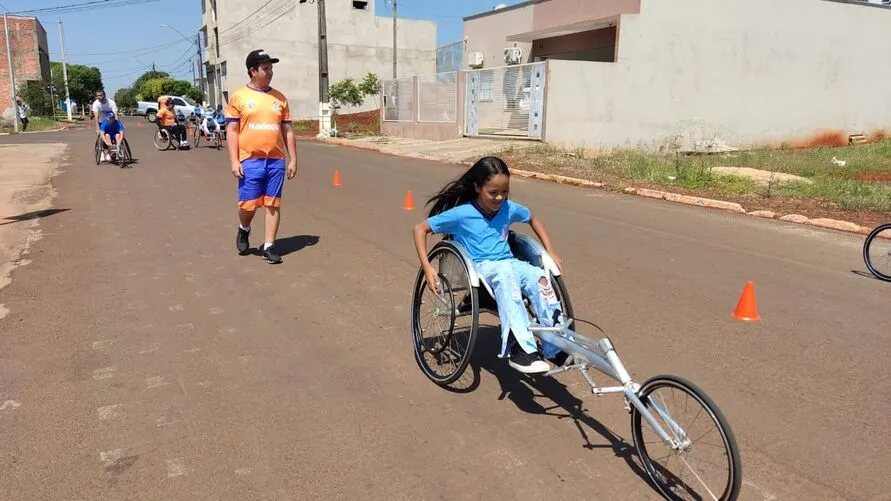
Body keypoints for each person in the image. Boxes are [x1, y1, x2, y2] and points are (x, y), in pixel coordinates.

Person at [412, 156, 570, 374]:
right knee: (506, 274)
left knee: (539, 277)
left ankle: (556, 345)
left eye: (504, 192)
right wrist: (428, 268)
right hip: (482, 267)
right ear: (478, 187)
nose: (499, 198)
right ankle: (521, 349)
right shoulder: (463, 213)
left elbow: (533, 218)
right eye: (493, 192)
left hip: (508, 263)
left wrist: (549, 250)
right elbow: (420, 229)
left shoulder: (508, 208)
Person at [226, 49, 297, 264]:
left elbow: (288, 130)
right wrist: (234, 160)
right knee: (247, 206)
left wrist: (293, 158)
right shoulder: (239, 96)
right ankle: (244, 228)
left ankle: (269, 246)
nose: (270, 72)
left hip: (276, 160)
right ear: (253, 71)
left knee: (273, 204)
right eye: (265, 68)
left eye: (271, 68)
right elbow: (232, 131)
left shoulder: (280, 98)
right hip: (250, 159)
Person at [91, 89, 120, 161]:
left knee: (116, 135)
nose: (99, 97)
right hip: (101, 122)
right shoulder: (96, 104)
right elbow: (96, 117)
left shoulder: (111, 103)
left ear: (104, 95)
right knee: (102, 136)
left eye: (100, 95)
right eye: (97, 96)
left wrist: (117, 125)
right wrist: (97, 128)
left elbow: (116, 115)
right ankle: (103, 153)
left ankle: (115, 151)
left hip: (111, 121)